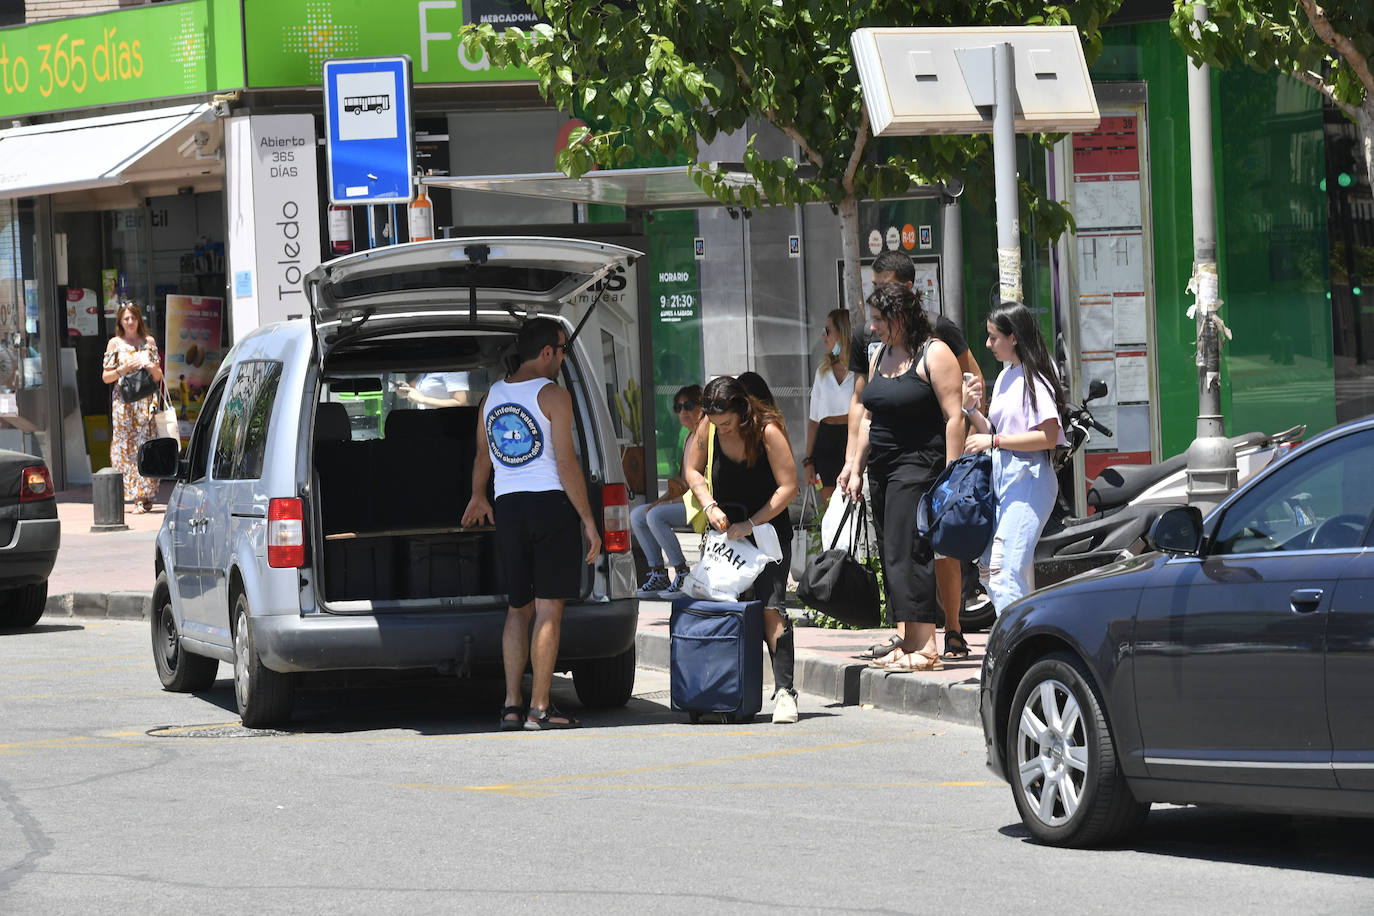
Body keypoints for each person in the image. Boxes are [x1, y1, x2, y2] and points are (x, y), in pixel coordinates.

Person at [837, 250, 984, 660]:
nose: (872, 328)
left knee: (912, 553)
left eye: (879, 321)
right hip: (883, 467)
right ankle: (908, 641)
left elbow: (955, 417)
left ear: (900, 317)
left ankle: (928, 644)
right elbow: (867, 415)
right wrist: (854, 465)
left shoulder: (934, 351)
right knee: (893, 554)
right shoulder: (879, 353)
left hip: (919, 465)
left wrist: (953, 476)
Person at [461, 318, 601, 731]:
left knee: (516, 609)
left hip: (509, 509)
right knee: (548, 610)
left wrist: (477, 496)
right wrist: (589, 521)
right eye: (561, 351)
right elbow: (565, 463)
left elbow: (483, 457)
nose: (561, 358)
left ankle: (510, 706)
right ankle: (540, 707)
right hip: (550, 507)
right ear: (546, 353)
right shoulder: (553, 396)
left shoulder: (491, 398)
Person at [683, 374, 801, 724]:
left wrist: (752, 523)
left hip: (766, 535)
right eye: (717, 424)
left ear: (743, 411)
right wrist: (708, 505)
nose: (724, 430)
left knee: (770, 608)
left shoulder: (767, 431)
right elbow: (692, 470)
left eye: (729, 423)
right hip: (725, 535)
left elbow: (789, 486)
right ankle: (725, 690)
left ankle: (784, 693)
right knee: (722, 608)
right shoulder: (710, 427)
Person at [961, 302, 1068, 612]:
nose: (988, 344)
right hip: (1005, 481)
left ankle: (1016, 646)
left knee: (1005, 570)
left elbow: (1048, 437)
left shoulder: (1035, 379)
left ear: (1014, 337)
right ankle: (1022, 638)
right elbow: (996, 433)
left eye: (994, 337)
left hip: (1029, 483)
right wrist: (971, 410)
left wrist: (993, 440)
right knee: (990, 570)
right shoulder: (1009, 375)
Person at [630, 384, 703, 598]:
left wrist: (664, 504)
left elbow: (698, 482)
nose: (683, 412)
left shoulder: (704, 437)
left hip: (700, 503)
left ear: (702, 407)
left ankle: (681, 572)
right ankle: (658, 573)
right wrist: (660, 501)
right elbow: (681, 481)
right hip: (686, 500)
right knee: (637, 515)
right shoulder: (689, 437)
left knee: (655, 515)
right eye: (678, 407)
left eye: (688, 406)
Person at [101, 301, 164, 514]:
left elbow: (158, 376)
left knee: (145, 446)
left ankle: (145, 495)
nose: (130, 322)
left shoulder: (149, 342)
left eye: (133, 318)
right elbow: (106, 377)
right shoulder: (114, 344)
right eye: (126, 318)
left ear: (139, 320)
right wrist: (123, 369)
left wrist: (149, 365)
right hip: (124, 405)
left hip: (145, 402)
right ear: (120, 321)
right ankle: (135, 496)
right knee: (125, 448)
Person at [803, 309, 853, 505]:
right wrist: (808, 461)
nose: (823, 336)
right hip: (826, 442)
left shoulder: (860, 370)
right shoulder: (822, 371)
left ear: (842, 332)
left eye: (827, 330)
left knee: (854, 500)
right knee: (829, 505)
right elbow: (814, 420)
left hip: (852, 439)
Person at [396, 371, 472, 408]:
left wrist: (421, 399)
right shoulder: (430, 367)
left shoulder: (452, 369)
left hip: (446, 425)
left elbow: (460, 403)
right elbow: (415, 387)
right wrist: (406, 389)